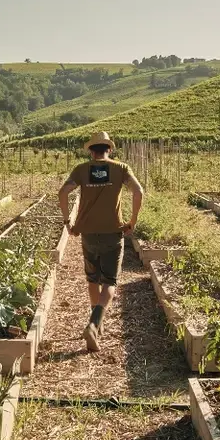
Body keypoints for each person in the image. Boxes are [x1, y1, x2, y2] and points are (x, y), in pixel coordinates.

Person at [58, 131, 144, 353]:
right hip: (112, 233)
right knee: (110, 282)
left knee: (92, 279)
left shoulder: (81, 170)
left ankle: (97, 320)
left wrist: (68, 221)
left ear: (90, 151)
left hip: (87, 233)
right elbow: (139, 192)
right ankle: (95, 323)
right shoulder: (121, 168)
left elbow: (63, 192)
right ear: (109, 149)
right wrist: (132, 221)